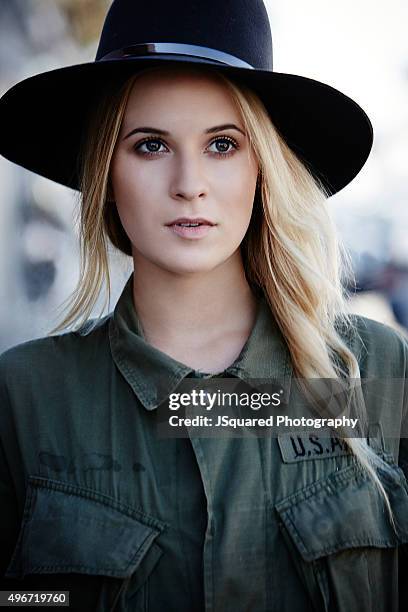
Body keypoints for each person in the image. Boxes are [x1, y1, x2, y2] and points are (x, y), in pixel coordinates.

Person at [0, 1, 407, 611]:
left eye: (222, 144)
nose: (189, 182)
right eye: (150, 146)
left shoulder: (373, 370)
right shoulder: (24, 396)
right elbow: (24, 600)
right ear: (105, 171)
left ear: (262, 170)